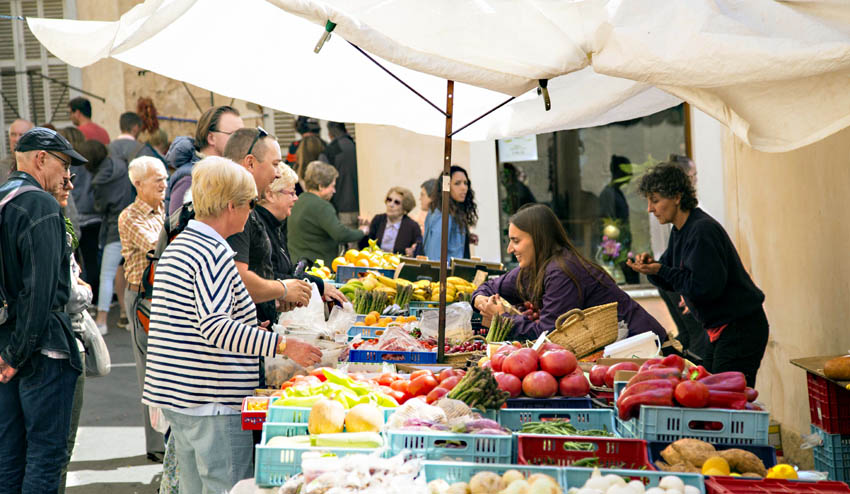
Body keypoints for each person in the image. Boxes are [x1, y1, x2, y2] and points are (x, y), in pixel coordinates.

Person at [142, 157, 322, 493]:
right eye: (251, 203)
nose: (253, 211)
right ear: (231, 205)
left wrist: (251, 324)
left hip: (179, 395)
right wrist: (282, 345)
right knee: (226, 487)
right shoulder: (212, 251)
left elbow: (195, 319)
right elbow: (215, 327)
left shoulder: (182, 244)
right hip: (210, 399)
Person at [0, 127, 87, 493]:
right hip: (38, 348)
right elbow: (41, 292)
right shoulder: (39, 203)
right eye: (64, 165)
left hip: (9, 344)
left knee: (10, 457)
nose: (68, 177)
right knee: (46, 457)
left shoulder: (6, 196)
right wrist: (18, 354)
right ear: (41, 159)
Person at [628, 163, 768, 387]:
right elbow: (671, 277)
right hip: (719, 330)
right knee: (708, 393)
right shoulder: (680, 232)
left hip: (740, 329)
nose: (649, 209)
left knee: (725, 401)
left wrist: (661, 270)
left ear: (676, 196)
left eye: (655, 200)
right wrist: (651, 268)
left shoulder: (702, 230)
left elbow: (704, 288)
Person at [473, 204, 667, 342]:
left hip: (643, 349)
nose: (509, 249)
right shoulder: (533, 269)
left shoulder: (561, 272)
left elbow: (548, 335)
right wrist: (480, 300)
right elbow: (490, 286)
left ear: (538, 239)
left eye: (516, 241)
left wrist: (503, 318)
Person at [222, 128, 312, 326]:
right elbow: (238, 281)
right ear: (251, 163)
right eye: (275, 165)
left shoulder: (242, 207)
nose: (278, 174)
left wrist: (272, 301)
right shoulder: (234, 208)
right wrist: (283, 289)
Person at [117, 156, 167, 462]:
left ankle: (166, 438)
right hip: (141, 297)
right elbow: (159, 249)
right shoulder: (131, 216)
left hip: (160, 295)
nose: (164, 184)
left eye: (164, 178)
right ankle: (157, 446)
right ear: (138, 184)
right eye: (157, 179)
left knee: (165, 366)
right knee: (149, 371)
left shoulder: (165, 211)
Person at [47, 167, 92, 494]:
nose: (71, 187)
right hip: (60, 346)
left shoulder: (57, 225)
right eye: (64, 181)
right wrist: (84, 290)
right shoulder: (51, 228)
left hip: (59, 342)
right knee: (56, 448)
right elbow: (69, 292)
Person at [255, 164, 348, 305]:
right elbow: (269, 276)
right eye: (291, 193)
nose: (296, 198)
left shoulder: (275, 226)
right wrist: (316, 285)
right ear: (270, 194)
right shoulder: (260, 228)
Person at [88, 137, 133, 335]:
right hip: (133, 223)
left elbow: (99, 207)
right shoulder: (122, 164)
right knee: (129, 274)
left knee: (107, 274)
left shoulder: (99, 182)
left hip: (114, 229)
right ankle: (128, 315)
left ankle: (102, 320)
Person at [165, 105, 243, 215]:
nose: (240, 141)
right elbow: (178, 228)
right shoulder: (189, 178)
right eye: (234, 135)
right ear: (211, 138)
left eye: (242, 135)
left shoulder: (228, 173)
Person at [288, 161, 366, 265]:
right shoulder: (322, 206)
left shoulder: (298, 201)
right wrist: (362, 231)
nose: (334, 191)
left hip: (296, 264)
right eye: (332, 186)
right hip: (317, 268)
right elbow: (341, 234)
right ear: (320, 186)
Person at [423, 165, 478, 261]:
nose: (464, 188)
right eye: (457, 183)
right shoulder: (442, 214)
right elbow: (435, 255)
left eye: (465, 183)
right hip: (447, 274)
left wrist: (466, 237)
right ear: (446, 186)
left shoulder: (454, 211)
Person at [599, 154, 639, 284]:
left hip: (623, 244)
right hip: (616, 247)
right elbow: (610, 223)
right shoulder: (609, 194)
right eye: (628, 171)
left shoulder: (617, 192)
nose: (631, 175)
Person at [360, 186, 422, 256]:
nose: (391, 204)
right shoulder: (378, 220)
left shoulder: (413, 226)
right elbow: (365, 247)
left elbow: (419, 249)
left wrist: (413, 251)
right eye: (389, 200)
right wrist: (363, 234)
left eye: (397, 202)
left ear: (405, 209)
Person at [321, 122, 359, 229]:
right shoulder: (357, 146)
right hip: (363, 208)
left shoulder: (330, 151)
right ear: (345, 130)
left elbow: (323, 180)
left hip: (341, 209)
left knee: (348, 245)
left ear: (329, 134)